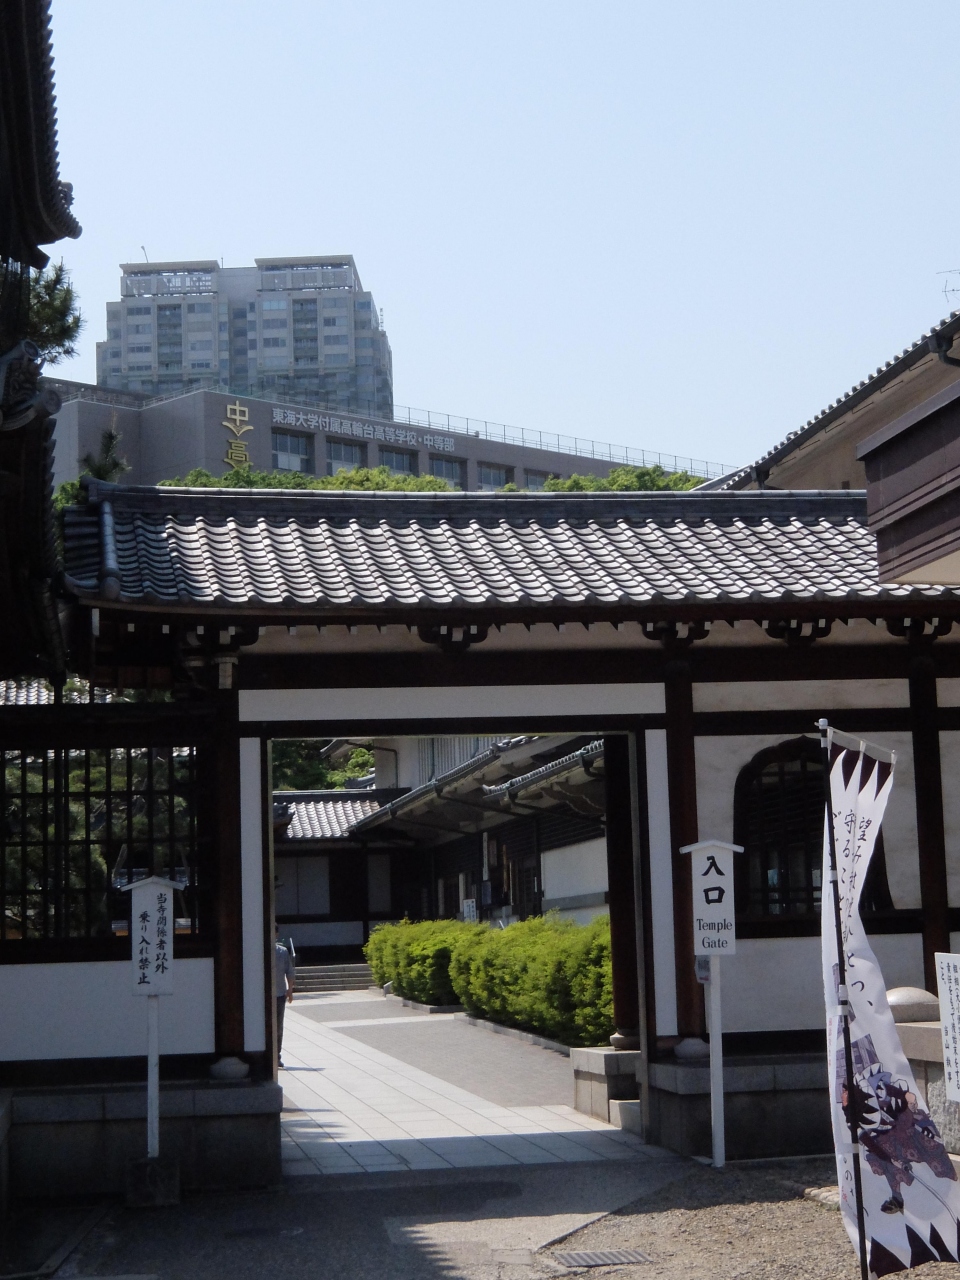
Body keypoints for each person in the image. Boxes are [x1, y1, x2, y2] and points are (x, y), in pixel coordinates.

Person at [275, 926, 295, 1068]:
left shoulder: (282, 952)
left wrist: (290, 990)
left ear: (276, 934)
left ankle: (276, 1056)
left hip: (279, 994)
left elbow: (289, 971)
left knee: (278, 1027)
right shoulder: (259, 951)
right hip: (264, 996)